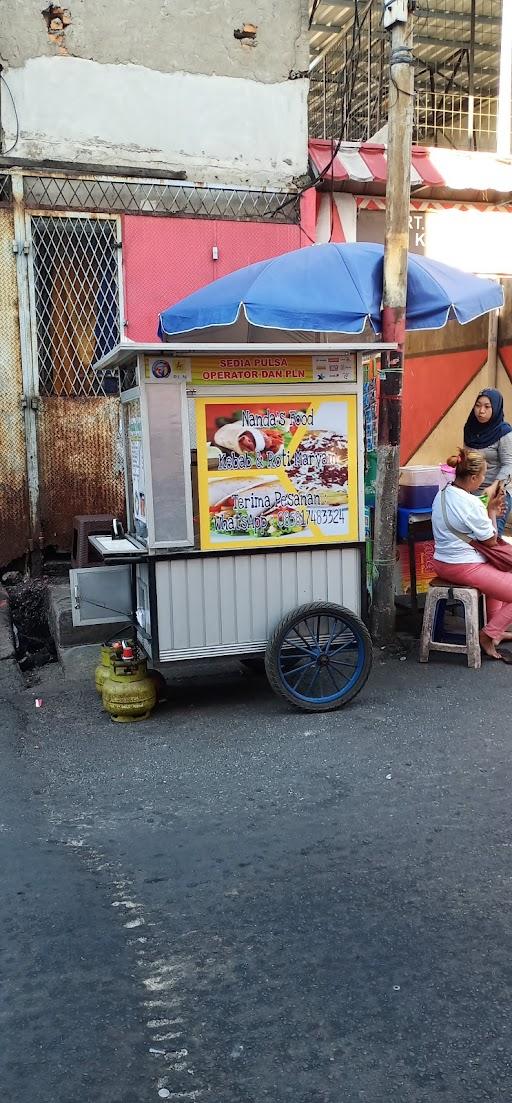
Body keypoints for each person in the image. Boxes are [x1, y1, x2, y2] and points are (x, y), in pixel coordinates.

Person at [431, 446, 512, 662]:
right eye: (484, 475)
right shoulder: (470, 503)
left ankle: (496, 630)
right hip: (462, 566)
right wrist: (492, 512)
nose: (484, 480)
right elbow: (492, 541)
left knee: (497, 570)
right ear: (474, 476)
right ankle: (487, 635)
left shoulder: (443, 493)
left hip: (442, 561)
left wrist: (489, 511)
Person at [464, 388, 512, 535]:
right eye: (478, 405)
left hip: (497, 491)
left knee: (492, 535)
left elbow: (509, 464)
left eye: (487, 406)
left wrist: (493, 488)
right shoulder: (469, 428)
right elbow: (467, 459)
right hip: (472, 491)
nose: (481, 411)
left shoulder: (504, 431)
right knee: (472, 536)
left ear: (496, 408)